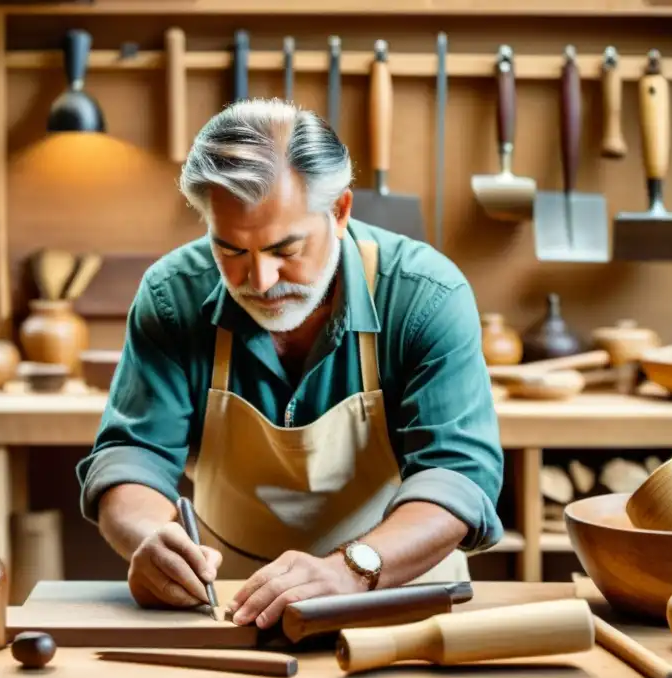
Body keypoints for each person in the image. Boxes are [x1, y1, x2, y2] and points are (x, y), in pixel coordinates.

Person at [76, 98, 504, 630]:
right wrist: (149, 538)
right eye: (231, 250)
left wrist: (353, 569)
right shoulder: (173, 296)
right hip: (227, 603)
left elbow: (458, 476)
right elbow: (130, 458)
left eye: (286, 248)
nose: (261, 281)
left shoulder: (424, 296)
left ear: (341, 211)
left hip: (392, 597)